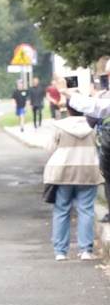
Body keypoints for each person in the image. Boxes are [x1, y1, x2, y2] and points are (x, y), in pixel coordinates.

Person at [44, 104, 99, 261]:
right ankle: (86, 250)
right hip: (88, 171)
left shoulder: (59, 127)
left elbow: (49, 148)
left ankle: (60, 251)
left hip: (63, 172)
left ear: (68, 110)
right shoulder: (93, 127)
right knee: (86, 210)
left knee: (62, 210)